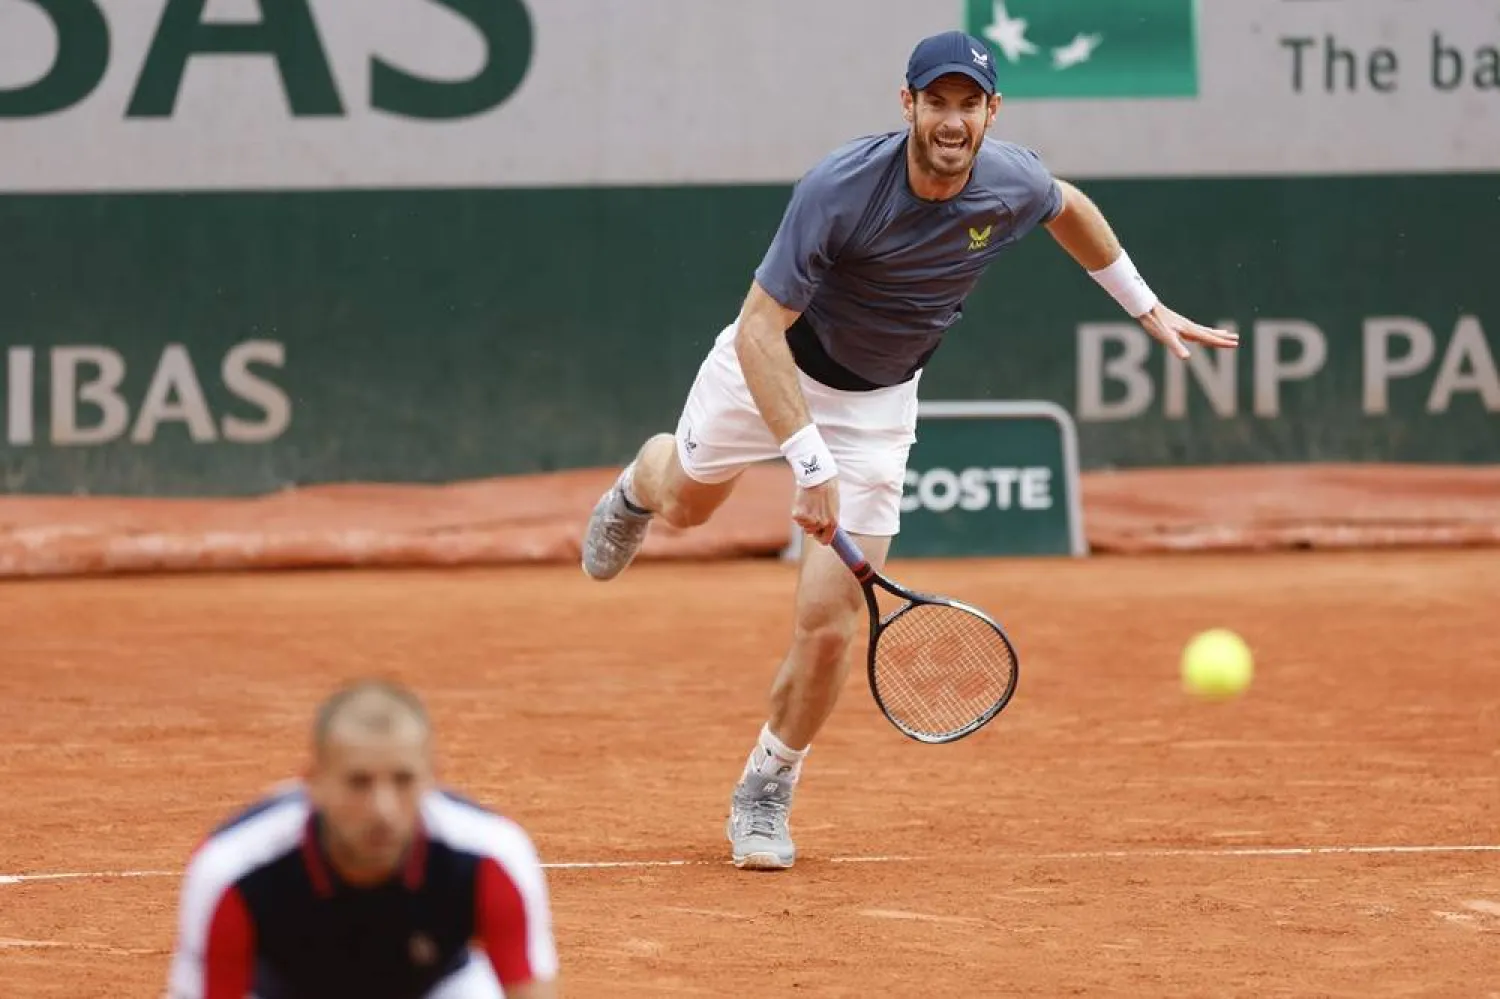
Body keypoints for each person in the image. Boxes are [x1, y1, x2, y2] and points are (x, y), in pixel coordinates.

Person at [580, 30, 1240, 871]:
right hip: (769, 366)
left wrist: (1145, 305)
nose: (953, 120)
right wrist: (808, 461)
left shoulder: (1013, 181)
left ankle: (766, 784)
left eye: (970, 104)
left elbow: (1066, 205)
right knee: (686, 504)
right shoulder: (840, 188)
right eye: (938, 102)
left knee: (827, 627)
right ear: (908, 105)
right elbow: (757, 329)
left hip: (879, 406)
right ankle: (642, 481)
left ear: (992, 112)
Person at [164, 679, 559, 998]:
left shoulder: (491, 856)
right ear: (313, 784)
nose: (382, 810)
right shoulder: (233, 869)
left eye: (403, 780)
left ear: (430, 779)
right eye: (358, 782)